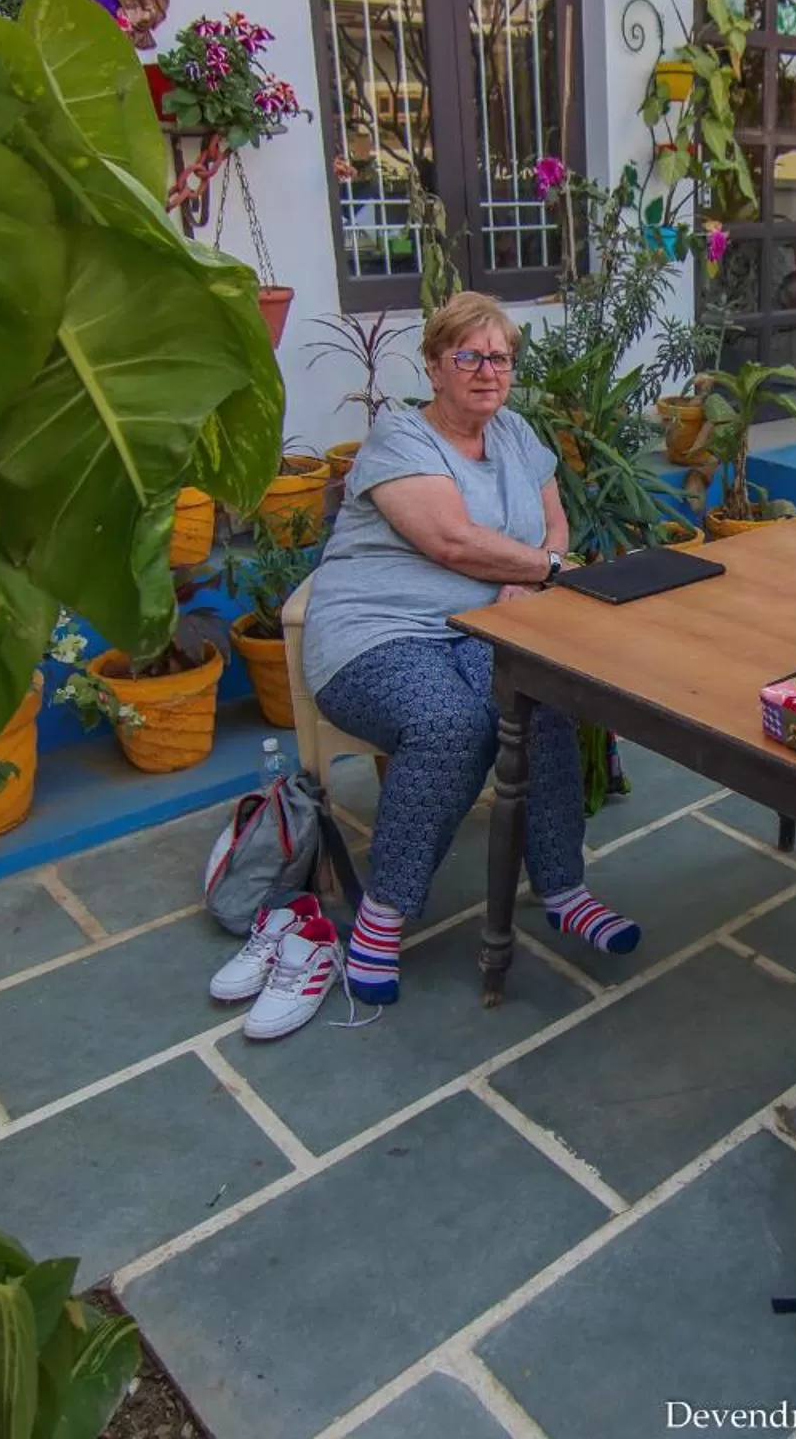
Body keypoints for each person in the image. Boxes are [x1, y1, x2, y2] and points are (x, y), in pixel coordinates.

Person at [269, 293, 639, 1027]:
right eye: (467, 356)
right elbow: (451, 541)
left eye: (499, 357)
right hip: (377, 630)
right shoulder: (400, 438)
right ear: (435, 368)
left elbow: (554, 523)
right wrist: (547, 572)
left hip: (482, 625)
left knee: (542, 701)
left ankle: (563, 890)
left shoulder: (517, 434)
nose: (486, 370)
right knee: (451, 725)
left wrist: (537, 571)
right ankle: (382, 917)